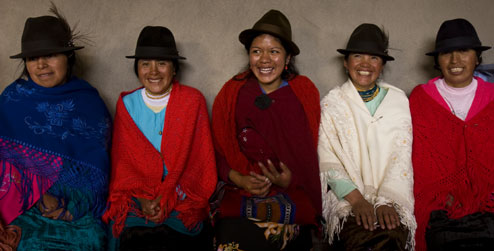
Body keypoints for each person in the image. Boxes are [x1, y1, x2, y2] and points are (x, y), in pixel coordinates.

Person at [0, 5, 111, 250]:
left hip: (74, 212)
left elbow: (98, 173)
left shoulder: (89, 103)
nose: (41, 64)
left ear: (68, 57)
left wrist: (71, 207)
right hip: (18, 208)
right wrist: (35, 194)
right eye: (32, 58)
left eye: (50, 55)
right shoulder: (11, 101)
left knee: (92, 239)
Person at [211, 9, 321, 251]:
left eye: (274, 51)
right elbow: (218, 149)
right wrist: (238, 177)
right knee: (232, 240)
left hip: (291, 195)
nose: (264, 60)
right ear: (249, 55)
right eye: (256, 51)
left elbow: (309, 156)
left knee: (276, 239)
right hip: (241, 191)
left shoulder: (303, 93)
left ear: (288, 57)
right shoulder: (231, 92)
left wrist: (290, 179)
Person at [102, 26, 217, 251]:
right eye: (145, 64)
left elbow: (200, 161)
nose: (153, 71)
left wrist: (168, 195)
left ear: (174, 69)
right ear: (137, 68)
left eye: (162, 63)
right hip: (139, 192)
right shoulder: (127, 104)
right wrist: (144, 198)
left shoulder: (192, 101)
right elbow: (124, 165)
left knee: (187, 230)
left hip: (182, 190)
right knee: (122, 227)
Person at [318, 23, 416, 250]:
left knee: (392, 234)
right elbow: (327, 156)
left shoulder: (398, 101)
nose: (365, 64)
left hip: (391, 198)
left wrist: (386, 201)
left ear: (382, 65)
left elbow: (401, 157)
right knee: (362, 236)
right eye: (357, 56)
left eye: (374, 58)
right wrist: (358, 200)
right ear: (345, 62)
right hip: (348, 199)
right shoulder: (332, 104)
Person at [410, 18, 494, 250]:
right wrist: (443, 196)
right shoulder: (421, 98)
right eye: (446, 53)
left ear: (477, 57)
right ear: (437, 60)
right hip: (442, 211)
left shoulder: (492, 96)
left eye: (463, 51)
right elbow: (419, 161)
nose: (455, 60)